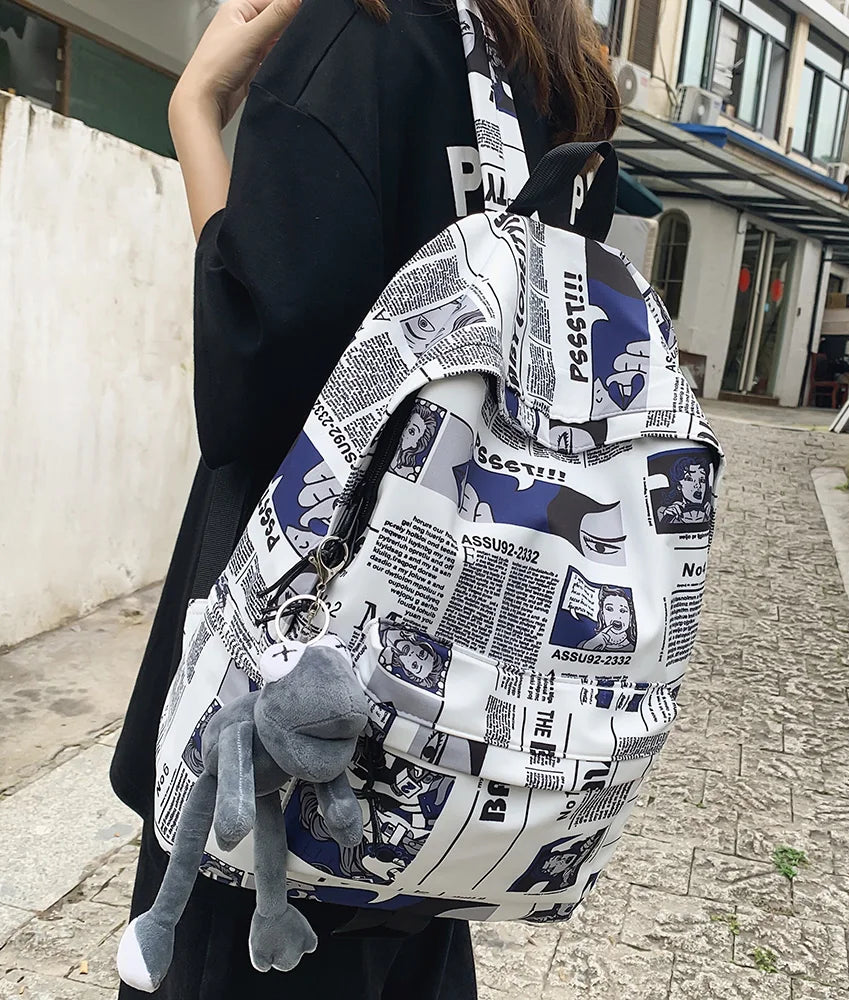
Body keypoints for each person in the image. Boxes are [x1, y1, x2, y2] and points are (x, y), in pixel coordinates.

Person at [109, 1, 619, 997]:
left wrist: (195, 109)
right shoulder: (551, 74)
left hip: (288, 726)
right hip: (455, 721)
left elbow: (256, 381)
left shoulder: (356, 38)